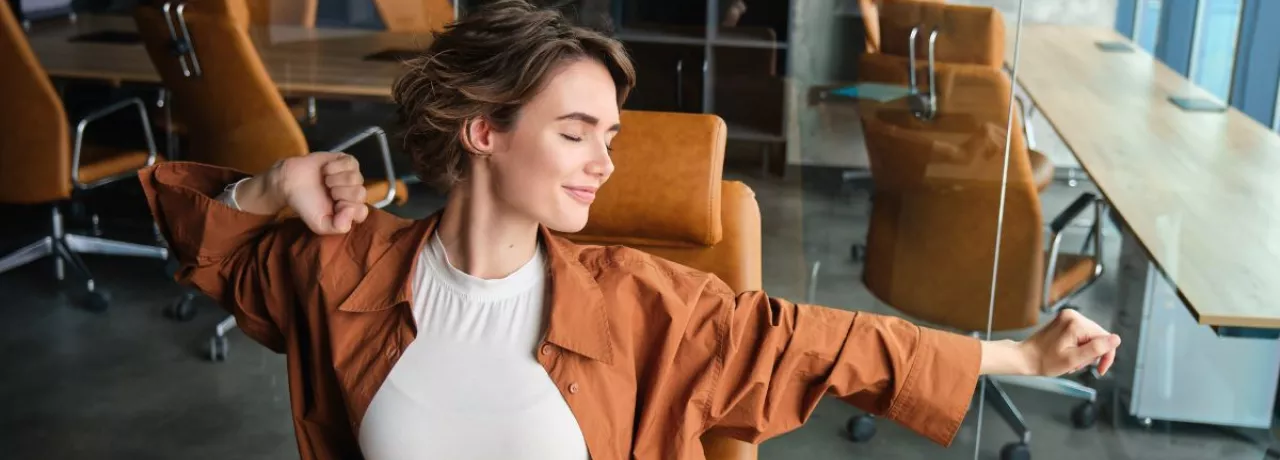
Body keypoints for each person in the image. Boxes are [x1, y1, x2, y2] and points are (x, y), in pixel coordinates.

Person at [140, 1, 1121, 459]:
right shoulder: (341, 272)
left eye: (608, 136)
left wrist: (1017, 353)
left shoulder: (636, 300)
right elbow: (206, 247)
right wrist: (271, 184)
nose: (603, 163)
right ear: (484, 131)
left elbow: (821, 342)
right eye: (574, 133)